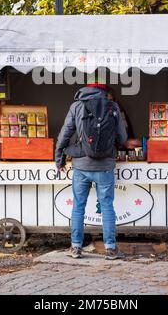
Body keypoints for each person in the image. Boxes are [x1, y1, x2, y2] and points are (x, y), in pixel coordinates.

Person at [55, 80, 137, 260]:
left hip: (81, 166)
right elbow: (123, 138)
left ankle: (76, 247)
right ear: (103, 92)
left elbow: (65, 133)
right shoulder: (113, 107)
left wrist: (59, 158)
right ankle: (110, 249)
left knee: (78, 206)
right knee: (107, 206)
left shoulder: (76, 106)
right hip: (105, 167)